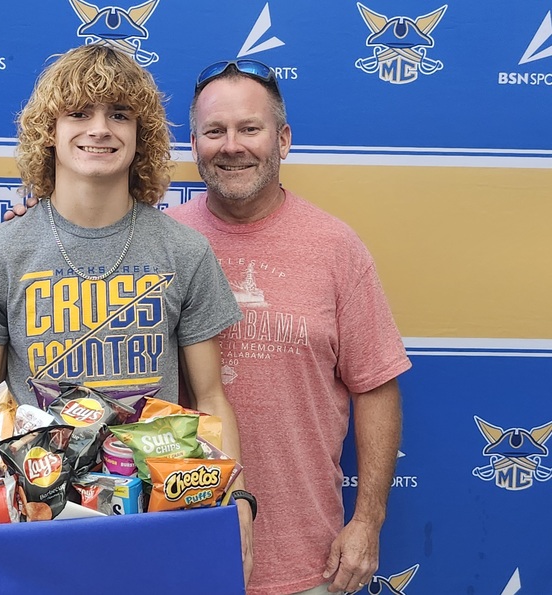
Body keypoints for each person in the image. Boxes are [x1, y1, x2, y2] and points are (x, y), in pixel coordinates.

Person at [0, 44, 253, 594]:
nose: (100, 129)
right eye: (79, 113)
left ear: (141, 135)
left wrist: (237, 501)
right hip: (35, 525)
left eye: (119, 115)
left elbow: (211, 398)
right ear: (49, 132)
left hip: (157, 520)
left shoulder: (184, 251)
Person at [165, 60, 411, 595]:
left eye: (249, 129)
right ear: (194, 144)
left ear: (283, 140)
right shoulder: (158, 242)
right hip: (174, 553)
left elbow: (375, 386)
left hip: (307, 562)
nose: (232, 146)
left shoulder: (336, 248)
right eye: (214, 131)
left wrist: (367, 521)